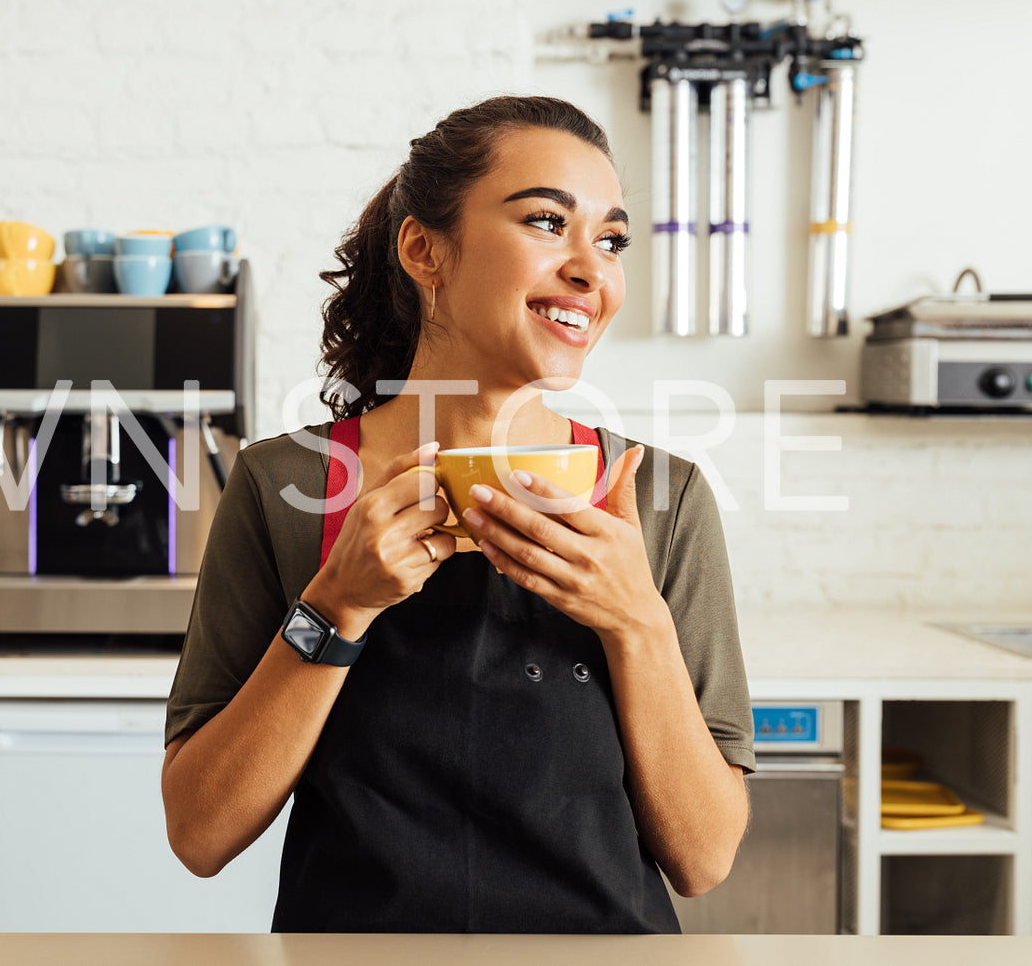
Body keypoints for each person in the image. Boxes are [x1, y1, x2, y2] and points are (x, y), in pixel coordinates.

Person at [161, 95, 754, 934]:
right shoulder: (283, 484)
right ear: (423, 249)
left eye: (611, 240)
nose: (593, 269)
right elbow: (199, 831)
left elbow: (704, 857)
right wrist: (335, 608)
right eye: (548, 221)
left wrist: (635, 624)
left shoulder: (657, 494)